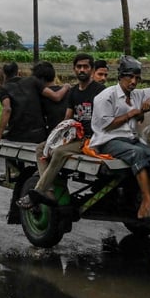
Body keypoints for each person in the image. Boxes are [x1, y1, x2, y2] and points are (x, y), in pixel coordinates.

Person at [21, 53, 106, 207]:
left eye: (85, 67)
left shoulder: (100, 91)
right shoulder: (73, 92)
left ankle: (38, 192)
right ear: (74, 69)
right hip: (75, 136)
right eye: (79, 67)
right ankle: (50, 191)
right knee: (42, 148)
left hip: (90, 138)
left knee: (59, 152)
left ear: (92, 70)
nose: (82, 70)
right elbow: (67, 118)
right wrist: (56, 138)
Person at [90, 55, 150, 221]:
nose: (133, 81)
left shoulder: (137, 94)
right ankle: (147, 203)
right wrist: (131, 113)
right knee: (137, 154)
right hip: (108, 141)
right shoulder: (106, 96)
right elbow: (106, 125)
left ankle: (142, 202)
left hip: (130, 140)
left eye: (137, 78)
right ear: (120, 76)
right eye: (129, 77)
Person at [0, 61, 68, 147]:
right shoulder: (32, 81)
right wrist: (66, 86)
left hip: (17, 135)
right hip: (39, 135)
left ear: (4, 74)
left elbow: (7, 109)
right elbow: (56, 97)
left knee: (8, 137)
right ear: (18, 72)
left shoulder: (4, 89)